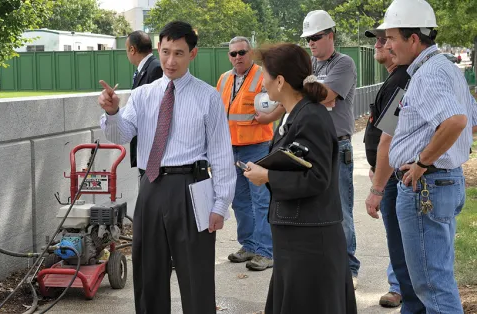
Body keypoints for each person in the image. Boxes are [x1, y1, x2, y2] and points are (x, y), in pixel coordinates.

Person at [98, 21, 236, 314]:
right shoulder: (143, 95)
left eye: (179, 53)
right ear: (158, 50)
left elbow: (221, 155)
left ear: (193, 54)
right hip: (150, 186)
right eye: (165, 52)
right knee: (148, 271)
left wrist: (221, 204)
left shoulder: (208, 97)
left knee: (196, 273)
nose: (170, 61)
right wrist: (112, 112)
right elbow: (120, 135)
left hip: (191, 188)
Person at [373, 0, 477, 312]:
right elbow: (468, 121)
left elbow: (456, 122)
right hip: (442, 182)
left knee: (432, 286)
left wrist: (421, 162)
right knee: (435, 280)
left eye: (392, 38)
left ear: (414, 39)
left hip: (426, 186)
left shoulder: (429, 73)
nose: (388, 46)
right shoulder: (444, 67)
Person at [243, 43, 357, 314]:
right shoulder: (295, 115)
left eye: (265, 76)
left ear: (280, 81)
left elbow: (318, 178)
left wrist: (268, 175)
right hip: (297, 234)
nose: (262, 83)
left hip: (310, 240)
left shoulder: (311, 117)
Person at [301, 9, 359, 287]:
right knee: (316, 208)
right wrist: (313, 89)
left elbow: (325, 96)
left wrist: (313, 90)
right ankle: (325, 264)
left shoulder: (344, 63)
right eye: (308, 38)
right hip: (314, 146)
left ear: (330, 35)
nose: (311, 43)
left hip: (338, 146)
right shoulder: (311, 64)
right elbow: (307, 96)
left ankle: (349, 269)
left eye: (316, 37)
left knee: (341, 210)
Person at [216, 36, 284, 271]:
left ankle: (266, 251)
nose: (237, 57)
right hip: (231, 148)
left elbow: (282, 103)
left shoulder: (263, 76)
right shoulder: (224, 79)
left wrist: (269, 118)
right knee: (240, 201)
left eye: (242, 52)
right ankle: (249, 245)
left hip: (256, 146)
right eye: (233, 53)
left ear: (250, 52)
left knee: (261, 200)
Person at [363, 28, 412, 309]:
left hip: (395, 177)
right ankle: (402, 288)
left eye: (386, 39)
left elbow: (389, 138)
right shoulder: (395, 77)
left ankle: (403, 291)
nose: (379, 45)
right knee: (399, 242)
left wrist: (377, 186)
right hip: (388, 173)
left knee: (402, 244)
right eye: (379, 40)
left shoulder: (402, 78)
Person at [126, 30, 163, 176]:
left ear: (132, 49)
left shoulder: (155, 69)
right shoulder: (145, 69)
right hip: (144, 149)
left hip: (151, 151)